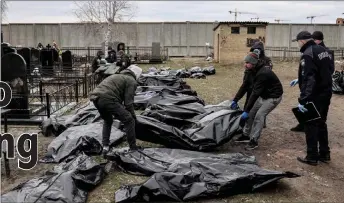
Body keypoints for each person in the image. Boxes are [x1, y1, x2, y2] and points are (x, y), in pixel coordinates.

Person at [292, 31, 333, 165]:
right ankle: (324, 153)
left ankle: (312, 156)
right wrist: (300, 79)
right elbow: (327, 70)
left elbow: (310, 78)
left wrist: (304, 100)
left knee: (310, 124)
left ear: (302, 41)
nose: (298, 44)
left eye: (298, 42)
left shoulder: (307, 54)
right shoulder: (323, 50)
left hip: (314, 95)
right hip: (326, 92)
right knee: (321, 122)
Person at [235, 50, 283, 150]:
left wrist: (246, 110)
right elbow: (244, 86)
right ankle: (245, 135)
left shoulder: (263, 73)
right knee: (251, 113)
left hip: (273, 97)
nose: (245, 65)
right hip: (263, 95)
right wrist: (235, 100)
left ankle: (254, 141)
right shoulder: (250, 71)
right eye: (245, 62)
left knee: (259, 116)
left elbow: (255, 93)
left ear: (253, 63)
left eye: (247, 63)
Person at [89, 65, 143, 155]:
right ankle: (133, 148)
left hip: (96, 98)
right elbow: (128, 104)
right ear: (136, 75)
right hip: (108, 98)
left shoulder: (117, 75)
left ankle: (105, 146)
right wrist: (134, 117)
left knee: (108, 120)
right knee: (129, 120)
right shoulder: (131, 81)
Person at [289, 31, 335, 132]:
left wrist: (304, 97)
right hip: (322, 88)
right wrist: (300, 78)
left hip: (317, 89)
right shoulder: (322, 51)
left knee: (317, 117)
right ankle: (304, 126)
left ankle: (314, 141)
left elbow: (327, 70)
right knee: (313, 115)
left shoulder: (320, 52)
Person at [231, 41, 273, 130]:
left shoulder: (266, 62)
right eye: (254, 49)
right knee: (248, 106)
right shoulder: (250, 60)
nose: (256, 51)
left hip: (260, 90)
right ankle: (245, 126)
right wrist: (236, 99)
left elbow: (266, 77)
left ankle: (259, 124)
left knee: (259, 110)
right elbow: (245, 82)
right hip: (250, 88)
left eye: (257, 50)